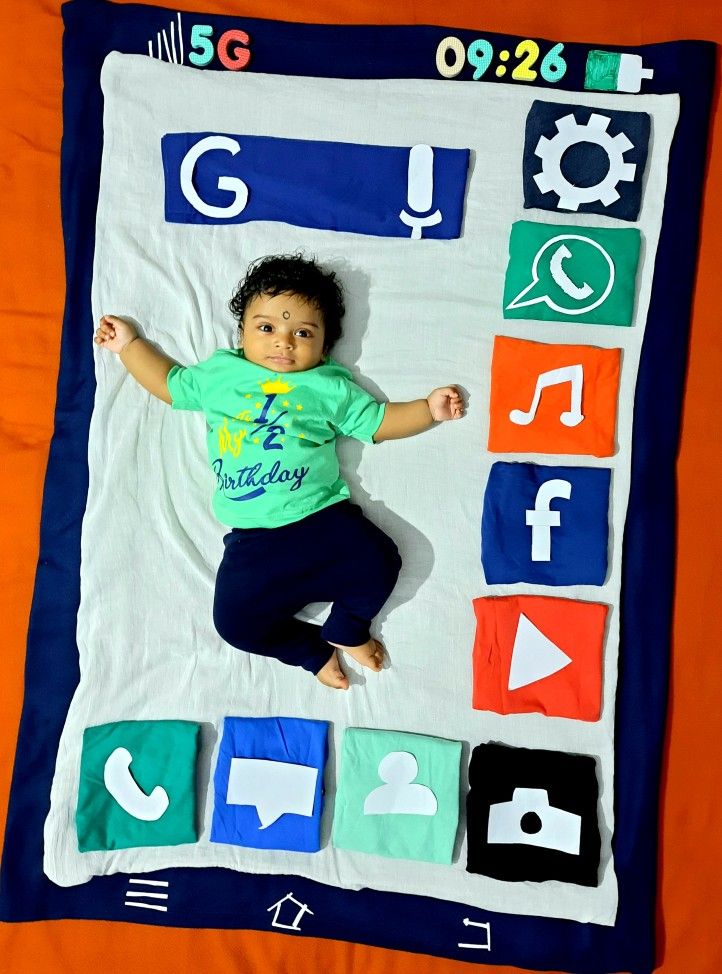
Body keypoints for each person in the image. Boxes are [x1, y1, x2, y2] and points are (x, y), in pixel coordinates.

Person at [94, 254, 464, 690]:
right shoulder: (220, 376)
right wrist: (129, 346)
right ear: (242, 333)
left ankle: (348, 627)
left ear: (324, 345)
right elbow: (169, 384)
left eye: (302, 333)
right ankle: (311, 650)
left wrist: (428, 410)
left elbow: (379, 422)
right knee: (234, 624)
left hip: (322, 520)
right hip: (254, 542)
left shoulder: (328, 386)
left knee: (382, 560)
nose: (283, 342)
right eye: (267, 328)